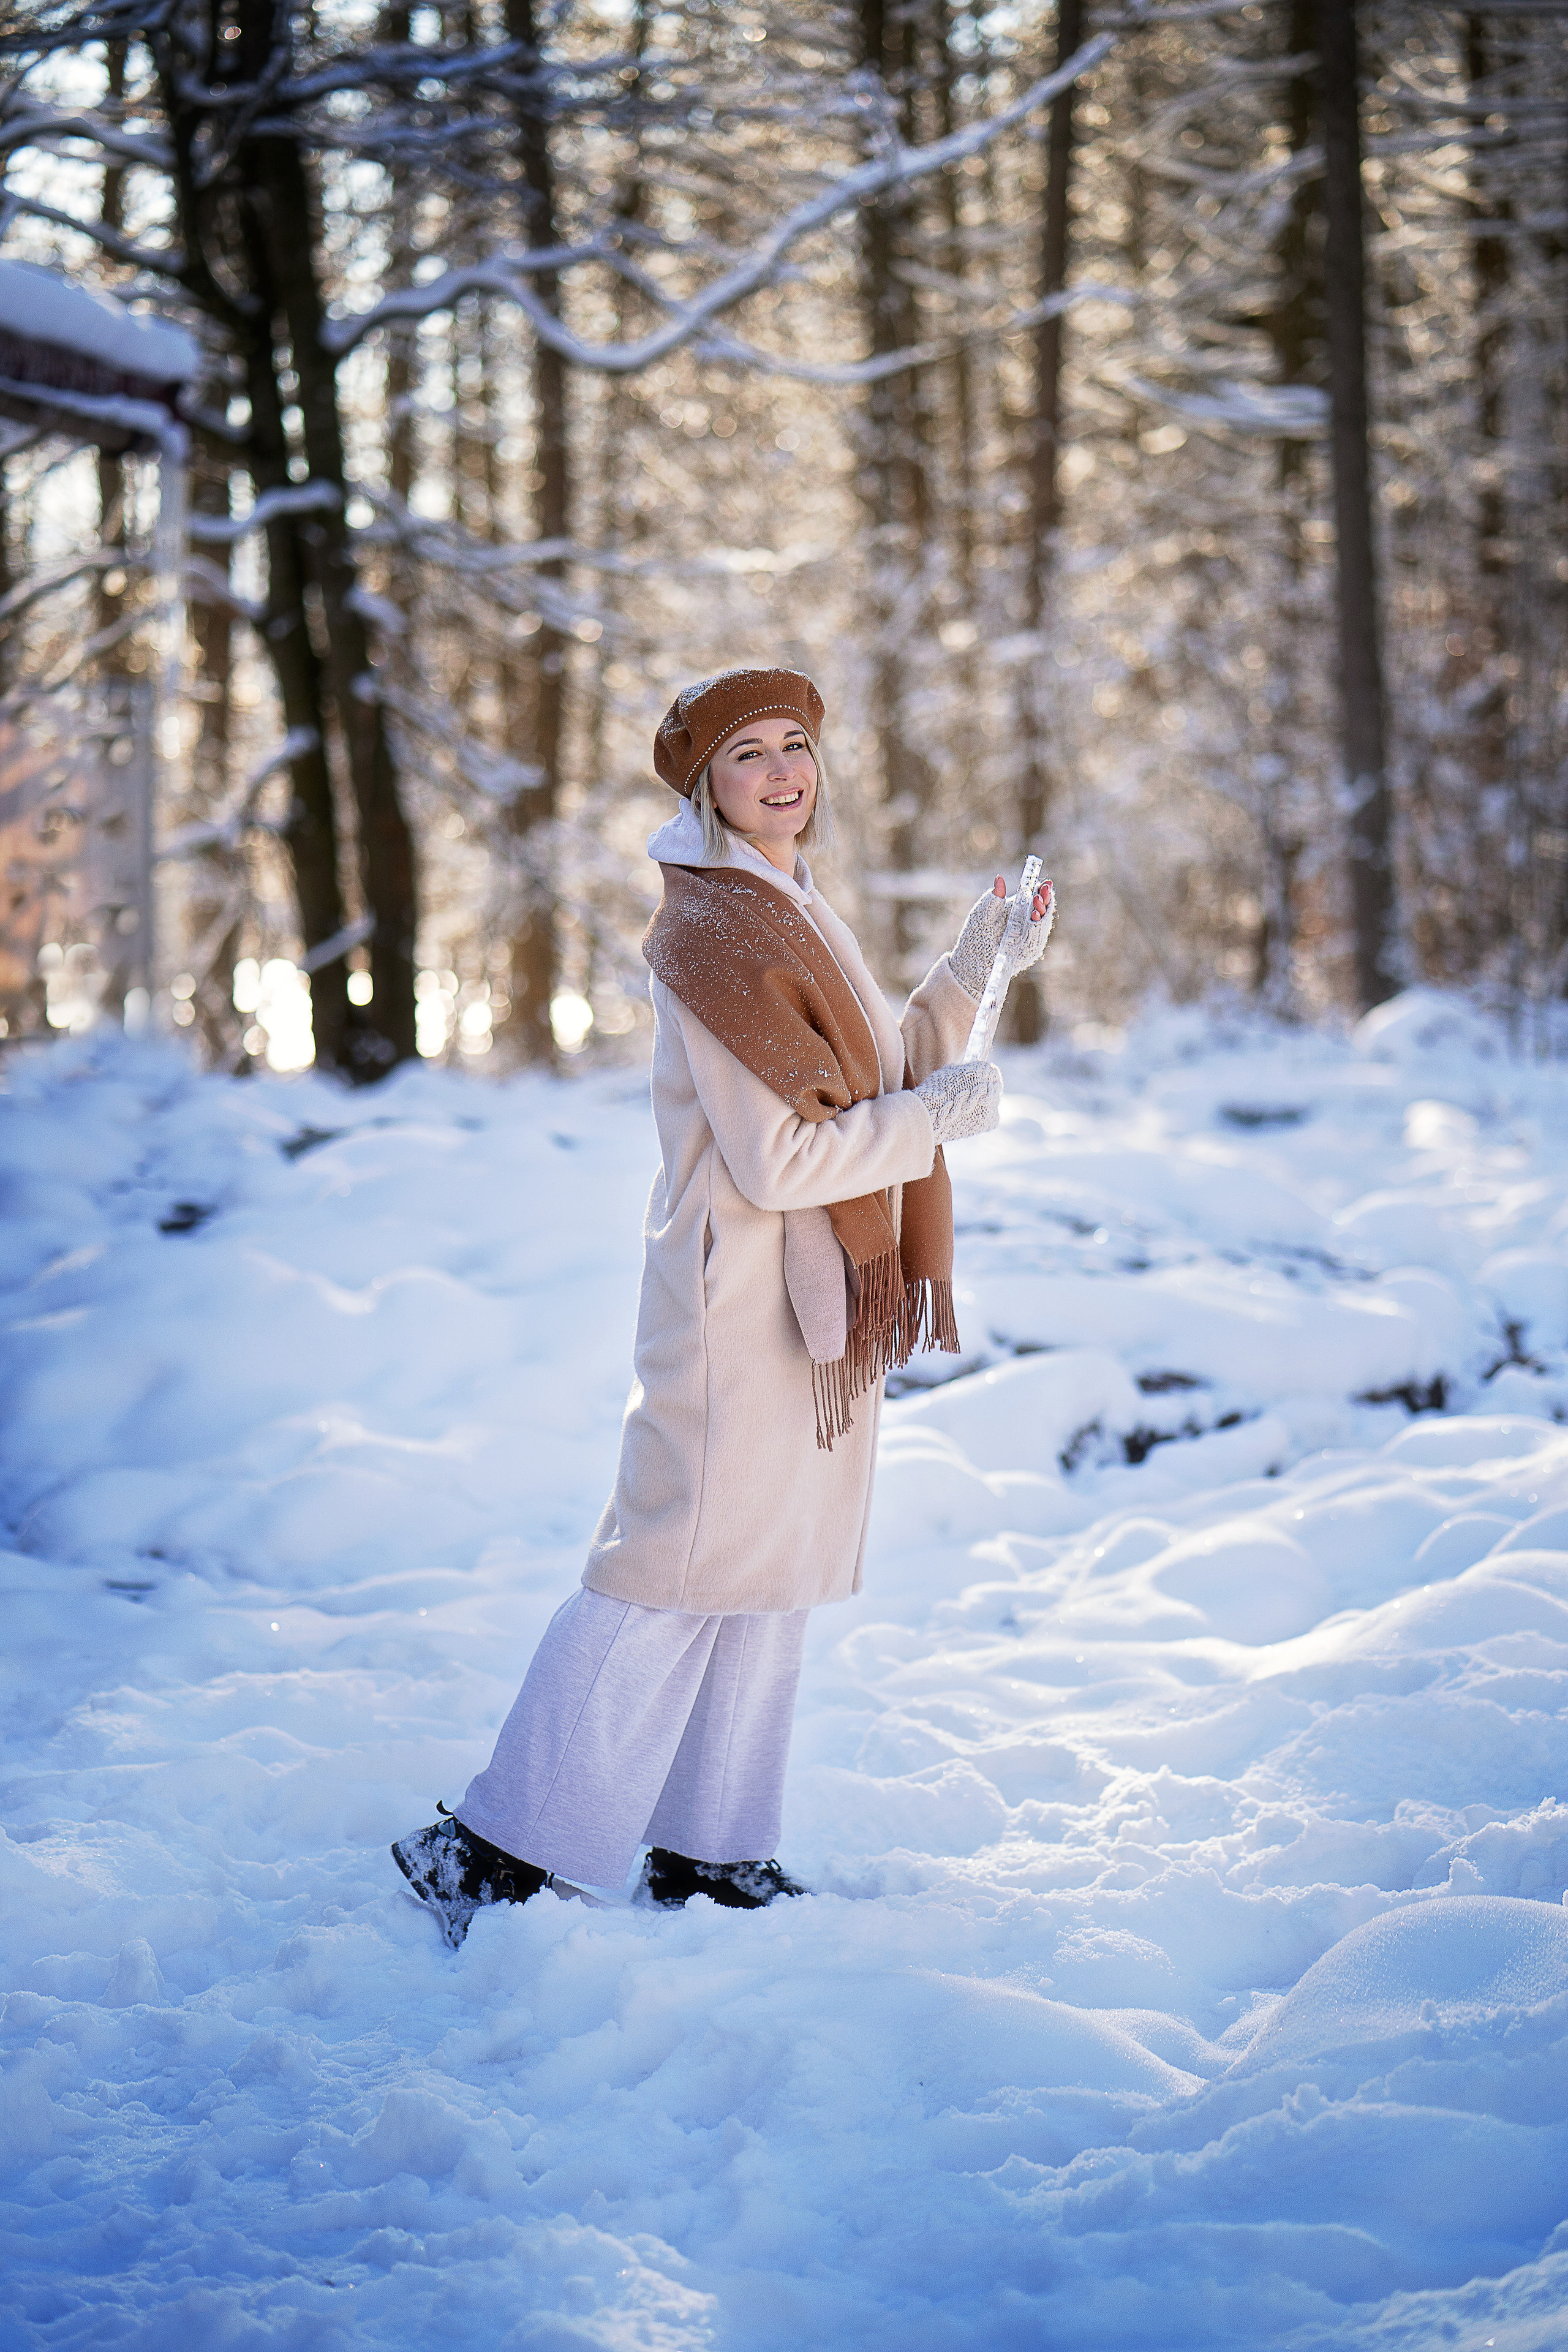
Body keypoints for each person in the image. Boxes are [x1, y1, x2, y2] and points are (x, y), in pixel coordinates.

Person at [393, 665, 1053, 1945]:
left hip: (809, 1300)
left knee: (767, 1570)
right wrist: (932, 1120)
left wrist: (978, 962)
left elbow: (878, 1074)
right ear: (705, 783)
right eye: (748, 753)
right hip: (738, 1300)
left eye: (795, 743)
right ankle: (488, 1849)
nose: (781, 771)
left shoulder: (786, 903)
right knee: (670, 1563)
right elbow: (784, 1159)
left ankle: (714, 1851)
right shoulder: (717, 934)